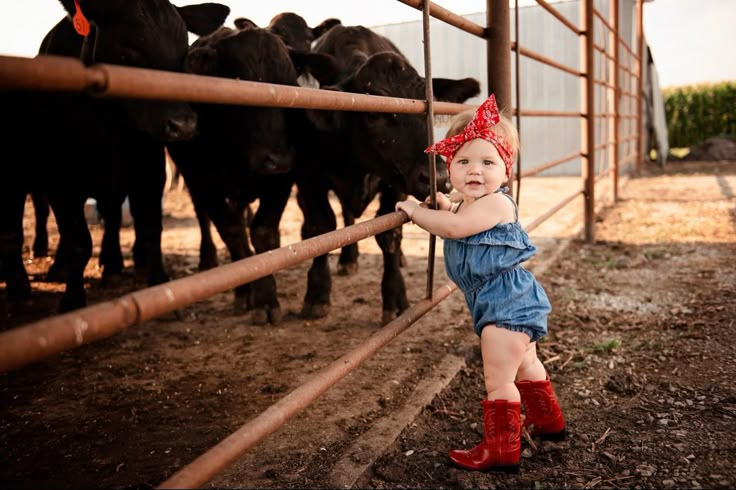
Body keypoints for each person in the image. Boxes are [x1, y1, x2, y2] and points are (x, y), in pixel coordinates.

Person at [395, 94, 566, 473]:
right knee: (527, 364)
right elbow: (455, 217)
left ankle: (502, 450)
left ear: (505, 172)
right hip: (508, 300)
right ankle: (550, 423)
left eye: (488, 162)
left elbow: (455, 230)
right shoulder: (470, 201)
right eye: (463, 162)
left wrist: (417, 212)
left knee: (499, 380)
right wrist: (442, 205)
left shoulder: (498, 204)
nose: (475, 171)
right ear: (449, 166)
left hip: (504, 306)